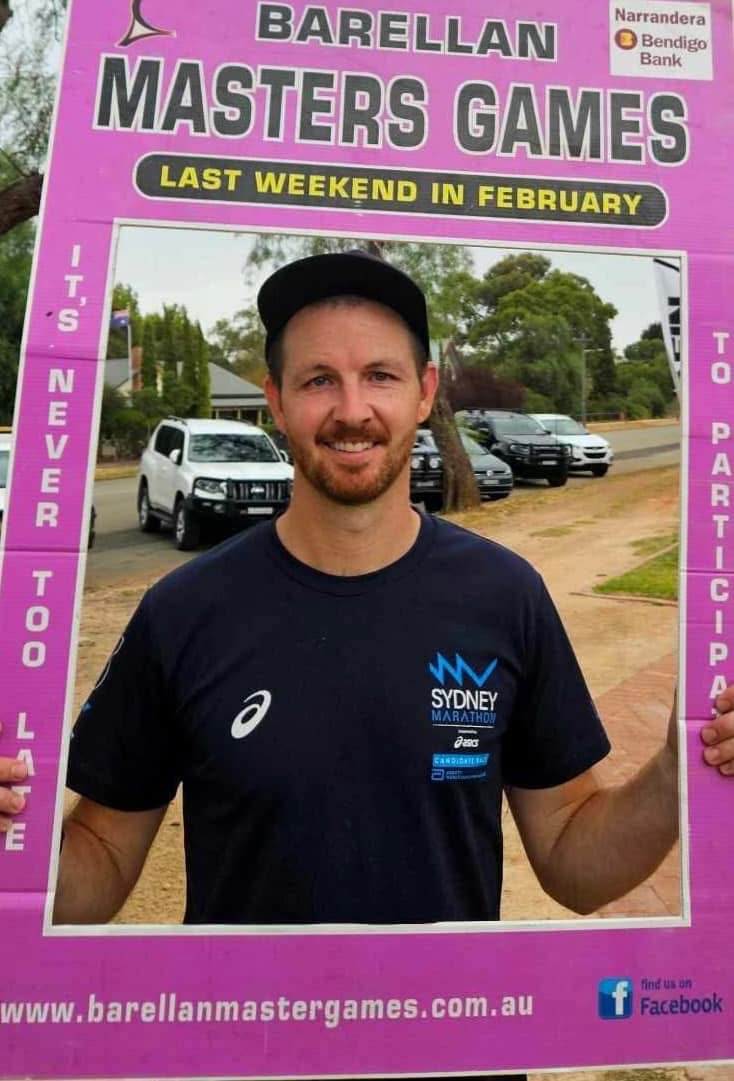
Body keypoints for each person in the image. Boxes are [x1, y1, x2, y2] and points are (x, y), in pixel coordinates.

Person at [0, 250, 732, 1078]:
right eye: (318, 380)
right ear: (274, 400)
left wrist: (681, 767)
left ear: (423, 391)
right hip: (244, 1061)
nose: (353, 410)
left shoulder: (504, 597)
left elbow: (571, 858)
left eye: (378, 375)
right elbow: (98, 864)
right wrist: (12, 848)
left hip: (458, 1059)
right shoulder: (184, 612)